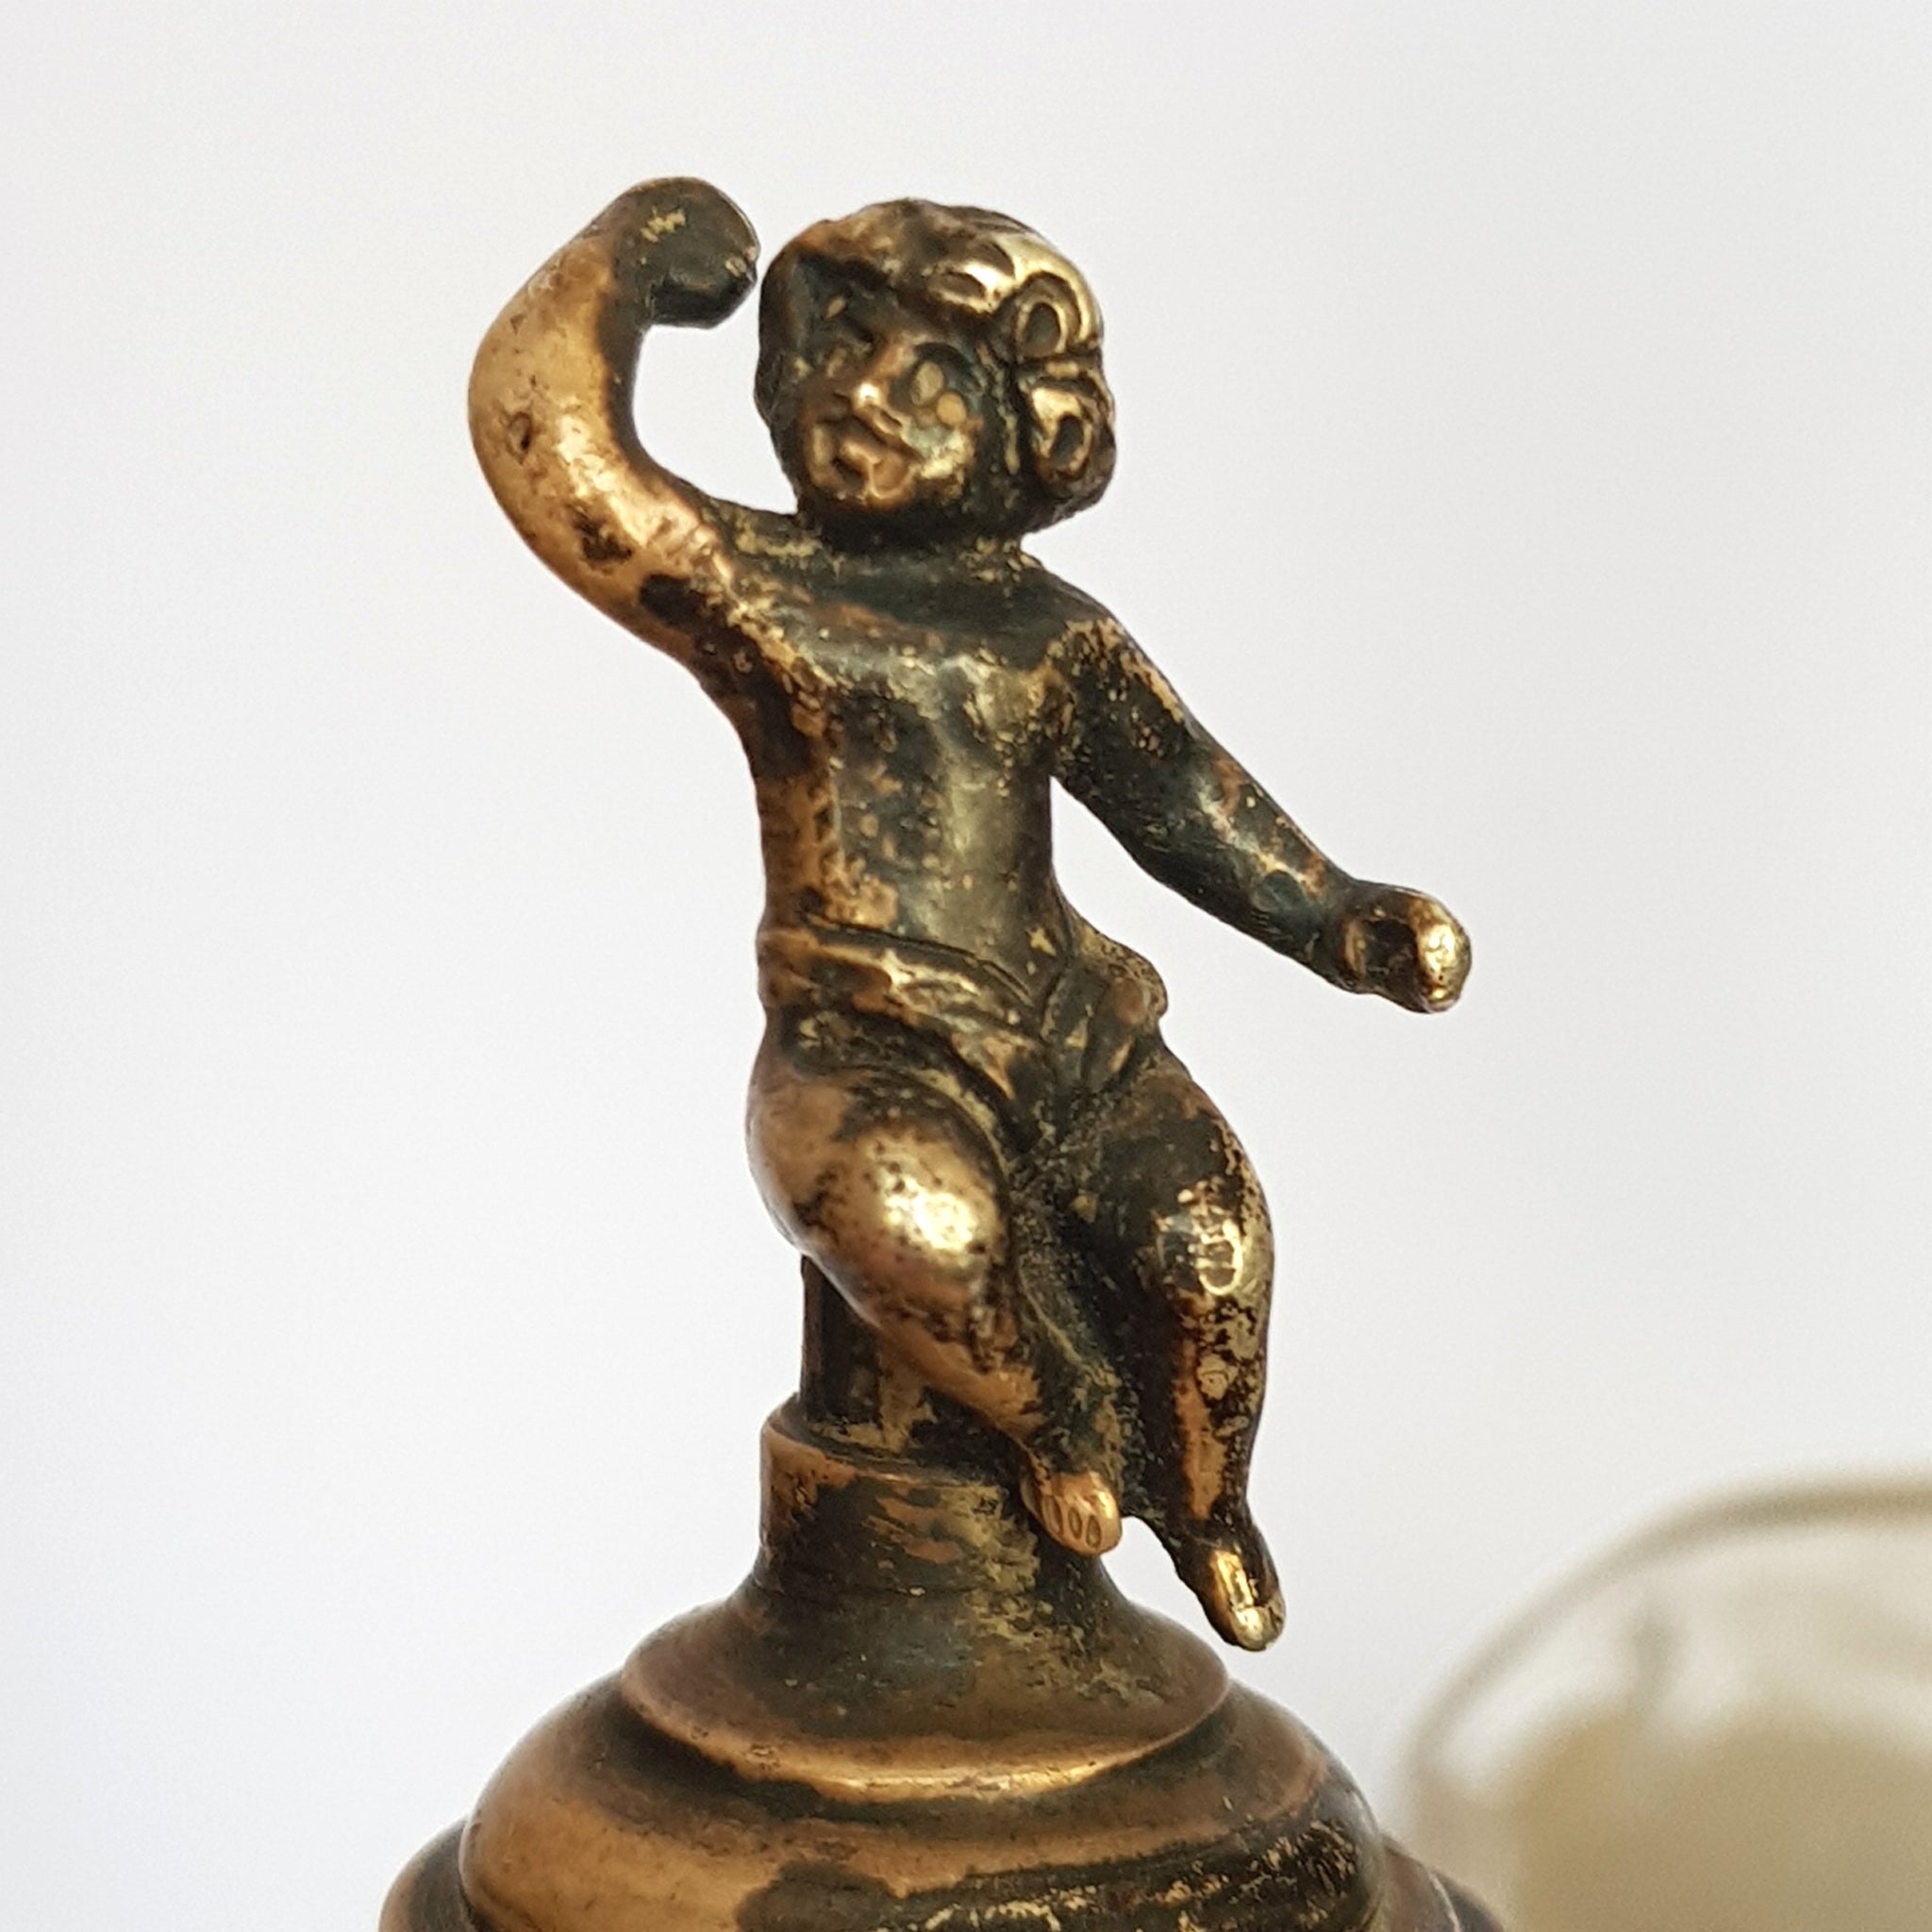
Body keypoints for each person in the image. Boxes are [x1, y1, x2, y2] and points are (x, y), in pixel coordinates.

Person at [468, 179, 1470, 1649]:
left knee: (1211, 1244)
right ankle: (1063, 1423)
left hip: (1071, 1037)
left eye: (931, 371)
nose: (864, 392)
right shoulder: (763, 594)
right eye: (835, 344)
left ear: (1030, 434)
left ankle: (1207, 1507)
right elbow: (559, 457)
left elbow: (1183, 802)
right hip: (863, 1046)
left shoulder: (1047, 633)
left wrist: (1339, 918)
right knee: (907, 1226)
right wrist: (626, 255)